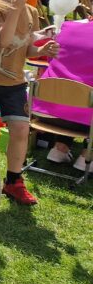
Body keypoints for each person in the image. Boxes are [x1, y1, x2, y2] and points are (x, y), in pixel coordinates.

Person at [0, 0, 63, 205]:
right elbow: (3, 41)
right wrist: (15, 8)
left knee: (21, 129)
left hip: (14, 82)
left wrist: (41, 50)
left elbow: (26, 47)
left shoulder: (32, 11)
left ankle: (13, 181)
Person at [31, 18, 93, 173]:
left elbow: (51, 60)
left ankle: (60, 148)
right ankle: (87, 155)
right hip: (83, 119)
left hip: (43, 110)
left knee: (71, 89)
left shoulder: (67, 26)